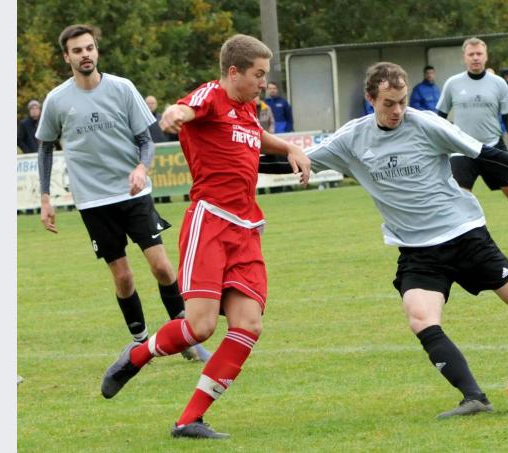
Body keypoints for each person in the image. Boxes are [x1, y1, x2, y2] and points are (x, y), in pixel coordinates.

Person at [304, 61, 508, 419]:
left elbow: (487, 153)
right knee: (420, 318)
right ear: (370, 98)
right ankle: (474, 397)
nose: (397, 110)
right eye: (389, 103)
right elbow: (297, 162)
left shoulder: (426, 124)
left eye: (402, 101)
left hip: (463, 234)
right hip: (417, 250)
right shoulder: (351, 139)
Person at [100, 33, 311, 440]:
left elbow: (256, 136)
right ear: (234, 72)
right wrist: (173, 116)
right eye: (258, 75)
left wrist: (288, 148)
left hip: (247, 228)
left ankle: (189, 420)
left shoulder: (247, 109)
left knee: (248, 326)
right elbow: (184, 109)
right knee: (200, 327)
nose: (263, 84)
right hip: (210, 222)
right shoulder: (212, 96)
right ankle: (138, 355)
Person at [35, 24, 211, 364]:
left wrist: (141, 169)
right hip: (93, 201)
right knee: (124, 276)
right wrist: (45, 198)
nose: (84, 54)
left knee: (161, 266)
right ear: (66, 57)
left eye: (89, 48)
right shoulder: (57, 100)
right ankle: (139, 342)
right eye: (77, 50)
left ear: (96, 51)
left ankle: (186, 337)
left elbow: (146, 139)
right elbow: (44, 147)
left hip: (134, 194)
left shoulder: (122, 88)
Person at [436, 37, 508, 241]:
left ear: (486, 56)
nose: (475, 58)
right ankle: (463, 243)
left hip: (491, 147)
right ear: (464, 57)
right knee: (460, 198)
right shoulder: (453, 84)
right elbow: (440, 118)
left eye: (479, 54)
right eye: (471, 54)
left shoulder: (498, 84)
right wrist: (436, 145)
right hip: (462, 149)